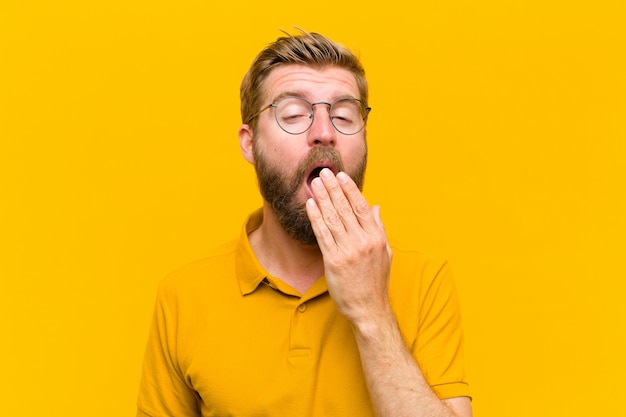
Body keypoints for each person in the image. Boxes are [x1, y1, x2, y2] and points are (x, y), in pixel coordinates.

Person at [136, 30, 472, 417]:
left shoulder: (424, 281)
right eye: (294, 114)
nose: (324, 132)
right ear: (250, 142)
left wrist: (371, 310)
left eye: (345, 115)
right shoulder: (183, 295)